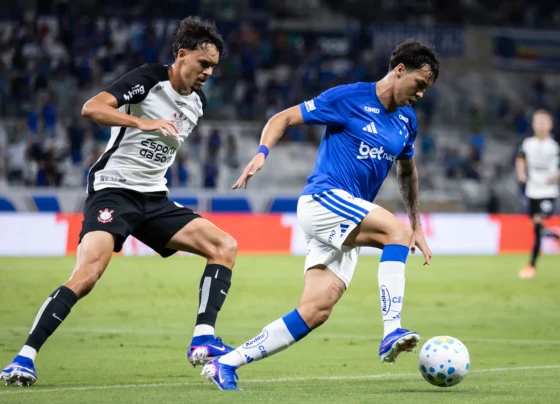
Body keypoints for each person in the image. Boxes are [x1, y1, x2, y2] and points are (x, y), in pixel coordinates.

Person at [1, 17, 237, 387]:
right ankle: (23, 358)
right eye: (203, 63)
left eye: (213, 67)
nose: (208, 72)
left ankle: (203, 340)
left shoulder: (198, 103)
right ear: (182, 55)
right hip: (113, 190)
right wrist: (142, 123)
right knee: (87, 275)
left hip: (153, 198)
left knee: (224, 246)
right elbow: (92, 108)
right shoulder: (149, 79)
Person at [201, 40, 438, 390]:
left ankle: (226, 363)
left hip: (348, 217)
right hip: (324, 200)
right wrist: (262, 152)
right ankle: (392, 330)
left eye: (426, 89)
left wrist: (417, 223)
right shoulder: (349, 98)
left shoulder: (407, 120)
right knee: (396, 232)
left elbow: (407, 171)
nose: (420, 94)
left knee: (315, 310)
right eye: (419, 84)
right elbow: (283, 118)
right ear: (400, 70)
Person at [516, 109, 560, 279]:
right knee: (536, 228)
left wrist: (556, 176)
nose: (540, 125)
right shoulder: (528, 143)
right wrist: (521, 174)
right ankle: (555, 236)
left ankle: (531, 265)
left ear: (550, 125)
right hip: (532, 191)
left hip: (548, 191)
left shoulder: (554, 146)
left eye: (543, 122)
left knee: (538, 222)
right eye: (537, 122)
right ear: (533, 125)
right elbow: (520, 158)